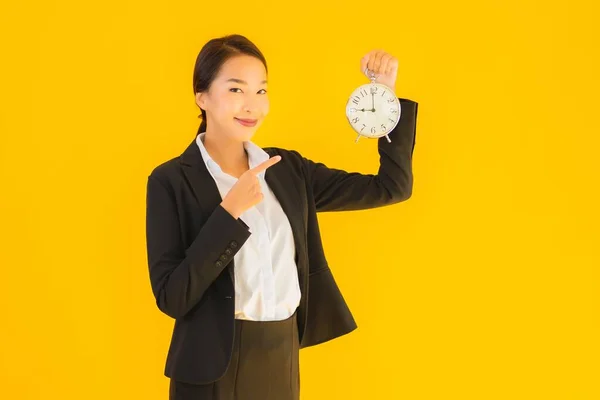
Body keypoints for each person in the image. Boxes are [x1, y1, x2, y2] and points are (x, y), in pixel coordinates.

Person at [145, 33, 419, 400]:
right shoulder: (170, 181)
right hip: (210, 371)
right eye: (236, 90)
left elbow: (391, 187)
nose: (251, 105)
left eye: (261, 91)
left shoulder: (287, 171)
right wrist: (229, 213)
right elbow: (171, 297)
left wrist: (383, 99)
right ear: (202, 96)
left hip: (282, 357)